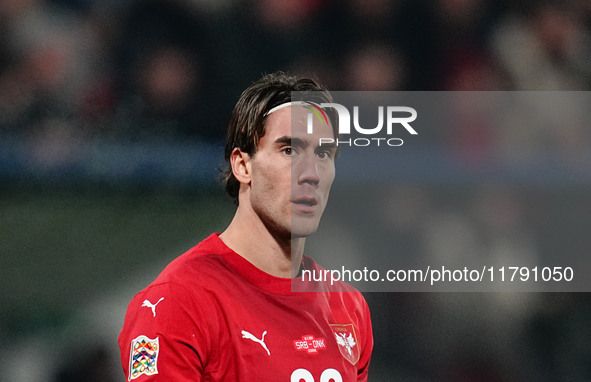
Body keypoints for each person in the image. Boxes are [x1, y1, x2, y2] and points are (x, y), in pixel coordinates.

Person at [118, 72, 373, 381]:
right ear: (242, 165)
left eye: (323, 154)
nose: (311, 174)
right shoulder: (177, 303)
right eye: (289, 150)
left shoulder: (347, 307)